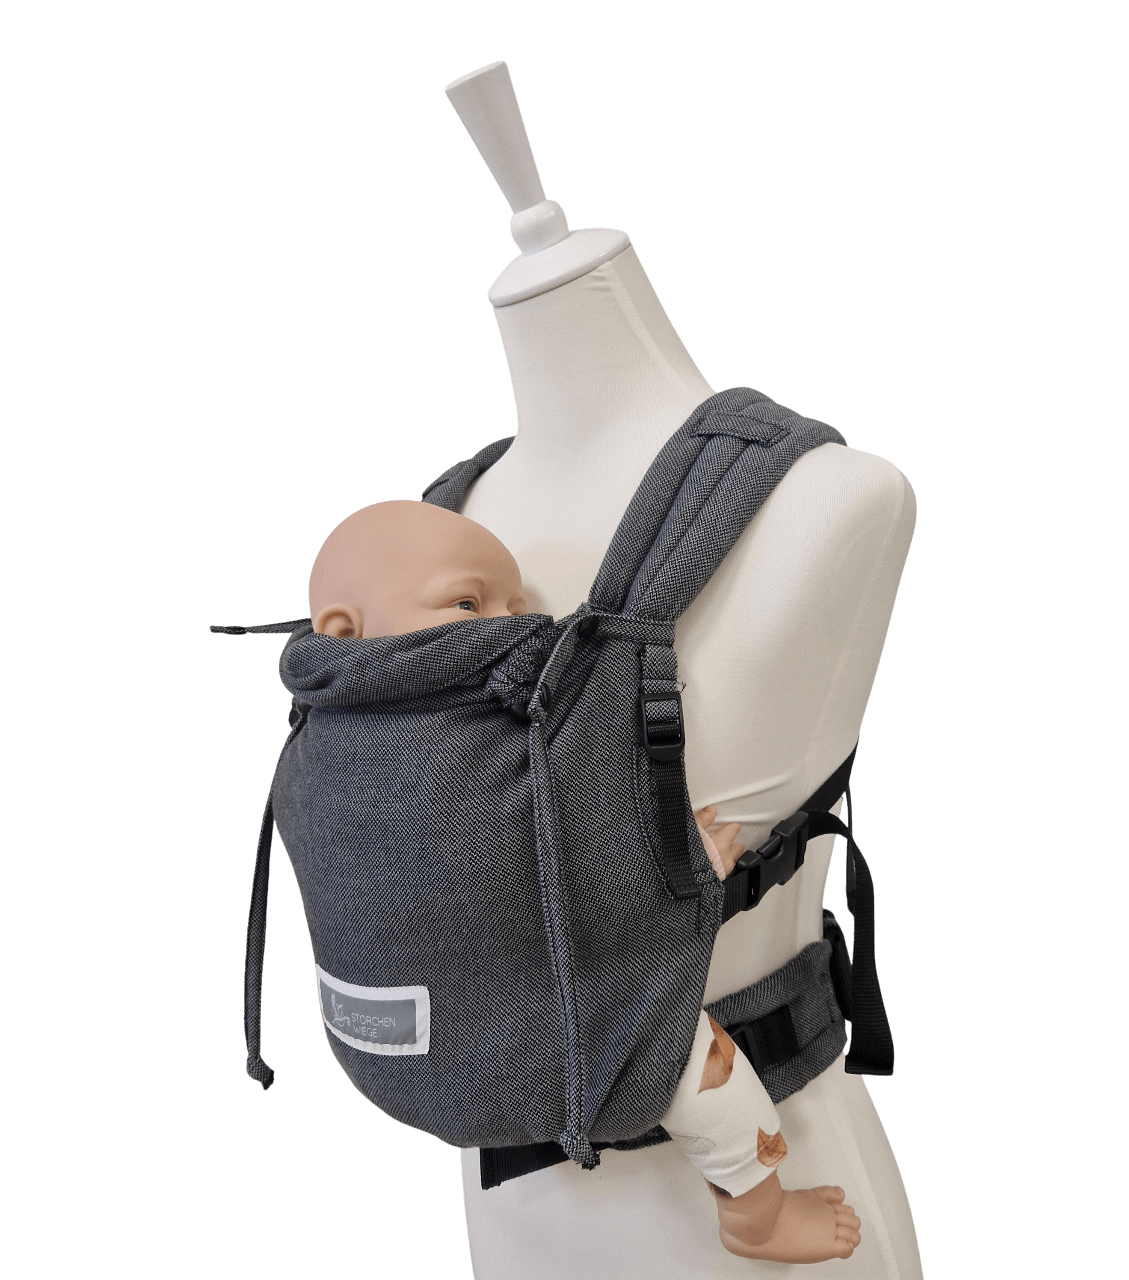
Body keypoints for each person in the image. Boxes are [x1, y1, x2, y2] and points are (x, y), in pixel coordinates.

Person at [307, 497, 862, 1263]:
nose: (517, 625)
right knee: (700, 1065)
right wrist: (677, 867)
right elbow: (533, 879)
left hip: (387, 1051)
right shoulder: (433, 752)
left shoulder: (318, 741)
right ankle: (756, 1216)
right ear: (344, 630)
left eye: (519, 607)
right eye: (468, 604)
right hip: (516, 1039)